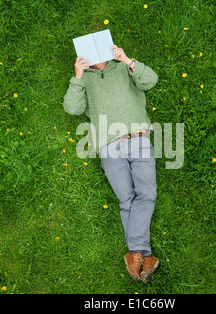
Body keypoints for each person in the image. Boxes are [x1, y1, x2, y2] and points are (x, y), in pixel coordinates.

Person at [63, 44, 159, 283]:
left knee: (146, 193)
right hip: (109, 146)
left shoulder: (123, 69)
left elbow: (151, 81)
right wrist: (77, 76)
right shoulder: (86, 80)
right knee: (126, 200)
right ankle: (142, 256)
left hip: (138, 139)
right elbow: (72, 108)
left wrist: (128, 60)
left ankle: (136, 254)